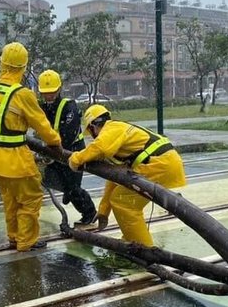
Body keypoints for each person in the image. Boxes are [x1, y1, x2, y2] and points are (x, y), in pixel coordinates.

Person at [68, 104, 187, 247]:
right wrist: (103, 211)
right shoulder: (118, 136)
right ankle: (132, 239)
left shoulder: (112, 128)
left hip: (159, 164)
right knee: (123, 199)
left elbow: (100, 147)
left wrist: (76, 159)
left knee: (122, 201)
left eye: (91, 132)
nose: (93, 137)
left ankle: (143, 249)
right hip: (163, 163)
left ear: (93, 126)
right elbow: (116, 179)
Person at [0, 42, 62, 252]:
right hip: (16, 158)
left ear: (3, 63)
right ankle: (26, 241)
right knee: (30, 200)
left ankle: (14, 237)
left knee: (9, 200)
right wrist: (56, 142)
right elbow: (42, 125)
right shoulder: (22, 94)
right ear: (23, 67)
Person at [36, 69, 97, 226]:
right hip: (54, 150)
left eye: (52, 92)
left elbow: (68, 134)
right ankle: (67, 192)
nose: (48, 95)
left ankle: (89, 213)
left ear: (59, 89)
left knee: (73, 187)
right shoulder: (42, 107)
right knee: (51, 179)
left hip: (73, 150)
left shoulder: (69, 107)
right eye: (45, 93)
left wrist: (53, 150)